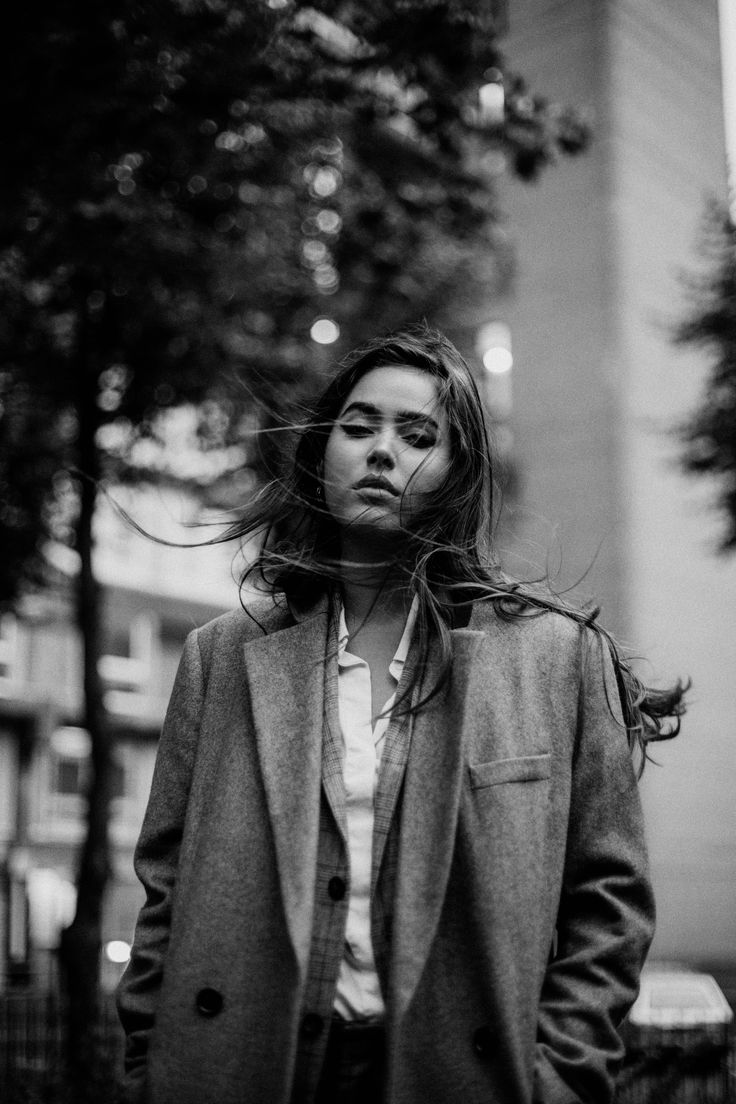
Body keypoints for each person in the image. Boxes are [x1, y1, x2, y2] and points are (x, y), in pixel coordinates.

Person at [117, 324, 685, 1104]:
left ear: (458, 472)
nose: (382, 450)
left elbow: (608, 902)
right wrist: (152, 1068)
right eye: (358, 427)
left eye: (419, 435)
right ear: (321, 454)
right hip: (243, 1067)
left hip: (459, 1076)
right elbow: (166, 885)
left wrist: (559, 1077)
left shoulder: (555, 658)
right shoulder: (223, 656)